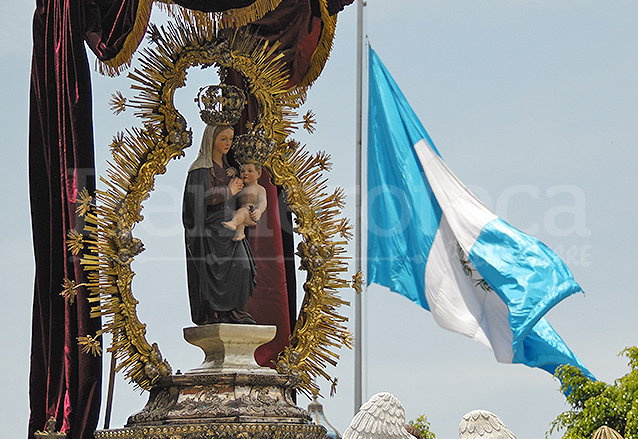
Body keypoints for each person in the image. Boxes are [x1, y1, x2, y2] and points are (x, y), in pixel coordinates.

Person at [182, 124, 258, 325]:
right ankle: (214, 314)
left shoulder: (231, 170)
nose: (227, 143)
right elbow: (198, 199)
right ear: (210, 140)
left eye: (230, 139)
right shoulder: (199, 170)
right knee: (211, 272)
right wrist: (228, 191)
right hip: (210, 231)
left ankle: (237, 314)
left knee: (244, 267)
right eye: (223, 138)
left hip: (231, 230)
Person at [221, 163, 267, 241]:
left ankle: (234, 223)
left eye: (250, 171)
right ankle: (240, 233)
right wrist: (233, 171)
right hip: (242, 211)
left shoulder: (259, 189)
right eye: (242, 171)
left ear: (259, 173)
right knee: (236, 213)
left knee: (241, 212)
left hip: (251, 213)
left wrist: (259, 211)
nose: (245, 173)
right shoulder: (241, 187)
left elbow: (262, 201)